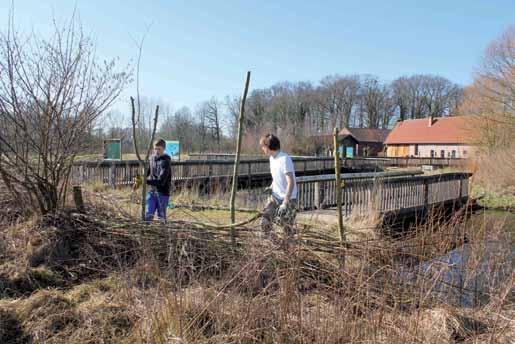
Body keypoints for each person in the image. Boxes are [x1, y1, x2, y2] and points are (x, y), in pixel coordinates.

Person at [259, 133, 298, 238]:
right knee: (264, 222)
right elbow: (276, 177)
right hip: (275, 197)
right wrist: (271, 187)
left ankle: (289, 250)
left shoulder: (285, 159)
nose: (262, 149)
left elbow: (291, 182)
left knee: (286, 228)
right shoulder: (271, 159)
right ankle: (272, 245)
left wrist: (285, 203)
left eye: (263, 146)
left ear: (268, 147)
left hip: (289, 199)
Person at [145, 139, 172, 222]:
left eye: (159, 149)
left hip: (163, 193)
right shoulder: (151, 158)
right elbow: (147, 172)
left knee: (161, 217)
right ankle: (145, 232)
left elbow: (161, 181)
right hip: (152, 192)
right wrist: (140, 178)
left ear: (164, 149)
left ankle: (163, 234)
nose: (156, 151)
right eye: (155, 149)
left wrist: (146, 181)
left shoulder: (166, 161)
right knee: (148, 215)